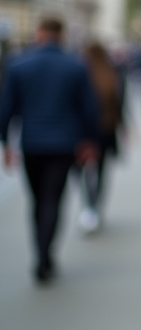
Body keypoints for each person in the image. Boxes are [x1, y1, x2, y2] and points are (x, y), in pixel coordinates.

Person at [0, 16, 99, 283]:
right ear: (61, 34)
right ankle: (46, 255)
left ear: (40, 32)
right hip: (64, 144)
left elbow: (6, 108)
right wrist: (90, 141)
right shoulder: (76, 66)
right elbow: (88, 109)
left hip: (32, 143)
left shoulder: (19, 64)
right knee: (53, 199)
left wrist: (5, 145)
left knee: (37, 200)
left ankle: (40, 254)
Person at [76, 42, 126, 234]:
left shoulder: (81, 73)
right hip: (106, 130)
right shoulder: (112, 73)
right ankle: (96, 206)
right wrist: (123, 127)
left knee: (84, 171)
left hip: (84, 131)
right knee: (102, 171)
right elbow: (120, 103)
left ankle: (89, 206)